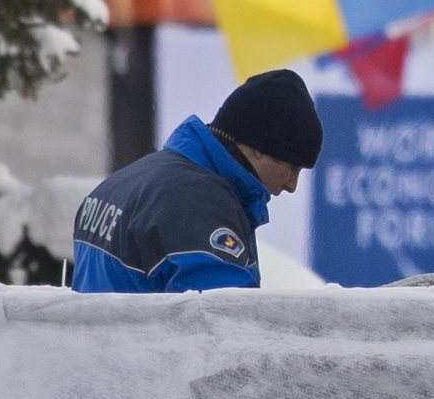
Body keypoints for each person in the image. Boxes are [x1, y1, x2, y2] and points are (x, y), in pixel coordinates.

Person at [71, 68, 322, 293]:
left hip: (101, 344)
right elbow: (226, 329)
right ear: (259, 148)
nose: (291, 185)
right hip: (142, 346)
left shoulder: (124, 182)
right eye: (293, 168)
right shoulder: (198, 205)